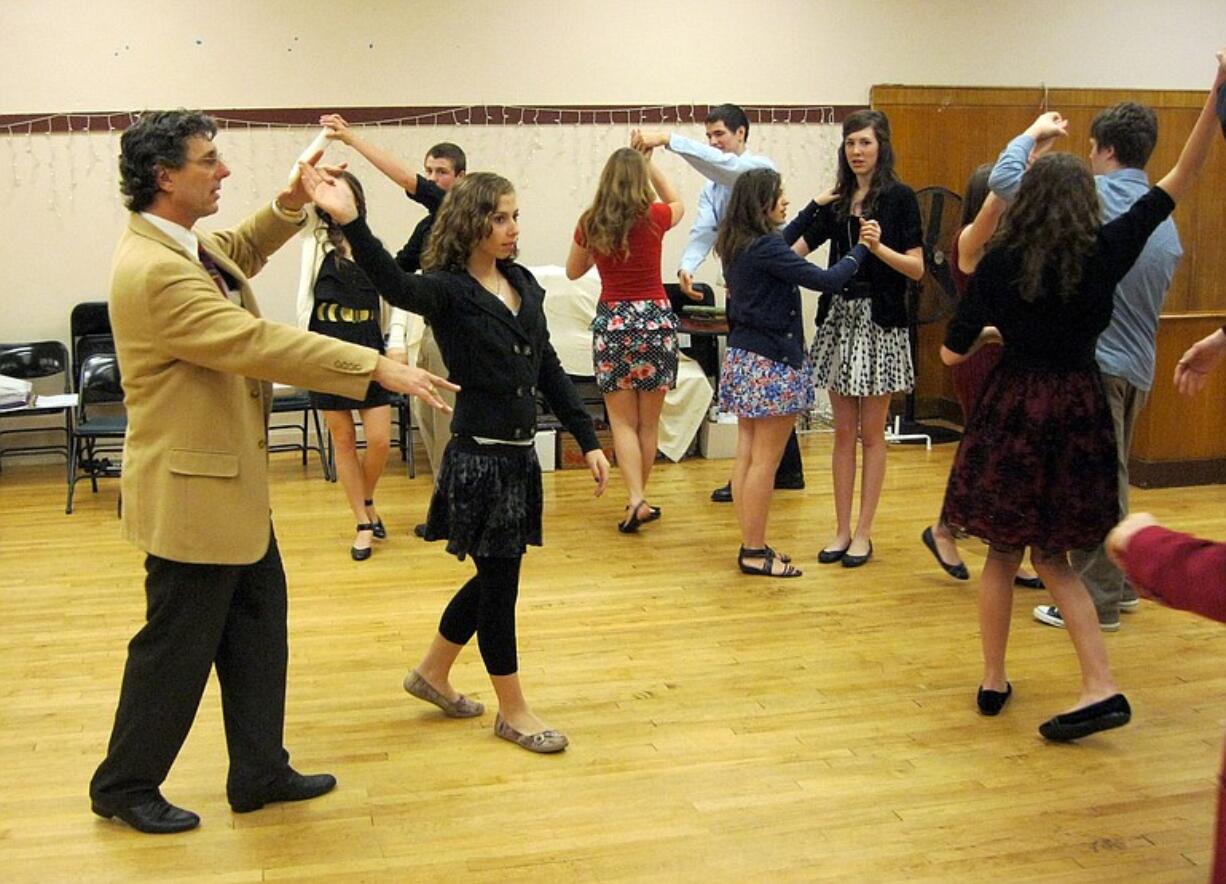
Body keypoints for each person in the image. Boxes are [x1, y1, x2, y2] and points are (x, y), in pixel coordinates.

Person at [89, 110, 454, 834]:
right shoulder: (155, 271)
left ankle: (257, 769)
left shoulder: (183, 247)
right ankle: (124, 785)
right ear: (166, 177)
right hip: (194, 494)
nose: (223, 171)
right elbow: (252, 341)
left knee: (258, 632)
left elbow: (242, 246)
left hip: (227, 488)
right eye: (209, 160)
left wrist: (294, 199)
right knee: (175, 648)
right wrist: (373, 364)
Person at [939, 51, 1226, 740]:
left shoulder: (1003, 261)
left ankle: (993, 679)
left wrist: (991, 339)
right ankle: (1099, 682)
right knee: (1056, 557)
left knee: (1002, 554)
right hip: (1079, 407)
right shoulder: (1106, 248)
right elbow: (1182, 177)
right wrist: (1216, 96)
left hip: (1015, 410)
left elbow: (951, 348)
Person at [300, 164, 611, 754]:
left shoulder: (522, 284)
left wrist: (587, 437)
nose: (512, 227)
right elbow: (394, 284)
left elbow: (545, 366)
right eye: (499, 217)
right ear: (471, 223)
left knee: (496, 575)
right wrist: (354, 221)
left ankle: (432, 674)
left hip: (519, 458)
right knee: (501, 584)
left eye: (515, 215)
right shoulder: (445, 289)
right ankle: (513, 710)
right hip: (478, 458)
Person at [989, 103, 1185, 633]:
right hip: (1139, 364)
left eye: (1093, 148)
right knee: (1112, 474)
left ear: (1106, 149)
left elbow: (1003, 178)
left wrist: (1033, 134)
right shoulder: (1160, 215)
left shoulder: (1091, 201)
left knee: (1095, 483)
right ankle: (1120, 585)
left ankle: (1097, 600)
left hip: (1095, 364)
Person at [632, 103, 806, 499]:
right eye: (708, 135)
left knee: (771, 376)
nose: (713, 142)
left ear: (742, 134)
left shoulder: (760, 170)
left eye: (720, 135)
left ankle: (768, 473)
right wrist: (687, 266)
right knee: (753, 379)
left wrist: (668, 140)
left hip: (770, 289)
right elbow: (704, 229)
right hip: (740, 286)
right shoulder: (714, 187)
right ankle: (771, 472)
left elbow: (719, 166)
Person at [716, 168, 871, 576]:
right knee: (764, 463)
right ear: (762, 204)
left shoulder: (740, 244)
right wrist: (862, 250)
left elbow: (786, 243)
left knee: (749, 456)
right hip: (773, 363)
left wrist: (815, 205)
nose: (786, 202)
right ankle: (753, 550)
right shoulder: (765, 247)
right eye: (780, 197)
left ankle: (752, 543)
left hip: (746, 360)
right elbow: (826, 279)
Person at [789, 110, 924, 568]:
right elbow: (793, 252)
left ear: (881, 146)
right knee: (842, 432)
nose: (857, 152)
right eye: (850, 144)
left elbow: (918, 268)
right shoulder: (838, 201)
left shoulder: (900, 198)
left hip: (881, 321)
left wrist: (877, 246)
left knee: (871, 433)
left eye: (865, 143)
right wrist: (813, 206)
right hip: (840, 320)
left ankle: (865, 531)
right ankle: (841, 529)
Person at [321, 114, 465, 535]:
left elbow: (406, 179)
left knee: (448, 426)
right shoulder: (427, 227)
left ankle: (457, 515)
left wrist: (351, 139)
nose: (434, 179)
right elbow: (394, 272)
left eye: (442, 173)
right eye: (432, 170)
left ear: (460, 178)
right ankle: (446, 511)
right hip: (432, 332)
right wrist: (345, 250)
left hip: (457, 333)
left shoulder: (455, 208)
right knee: (431, 426)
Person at [919, 163, 1043, 589]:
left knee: (997, 456)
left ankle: (960, 533)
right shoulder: (969, 240)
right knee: (991, 454)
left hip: (1012, 363)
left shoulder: (1015, 245)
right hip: (979, 359)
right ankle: (950, 531)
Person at [565, 146, 684, 531]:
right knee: (649, 424)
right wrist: (650, 162)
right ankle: (639, 498)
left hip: (614, 322)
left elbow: (572, 272)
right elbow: (678, 200)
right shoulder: (656, 217)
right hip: (656, 322)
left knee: (622, 421)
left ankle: (635, 499)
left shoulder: (591, 221)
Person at [300, 171, 393, 560]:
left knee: (379, 440)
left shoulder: (371, 245)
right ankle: (361, 522)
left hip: (368, 342)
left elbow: (391, 300)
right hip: (327, 344)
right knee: (342, 439)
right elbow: (297, 204)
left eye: (346, 195)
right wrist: (316, 167)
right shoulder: (315, 241)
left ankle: (366, 498)